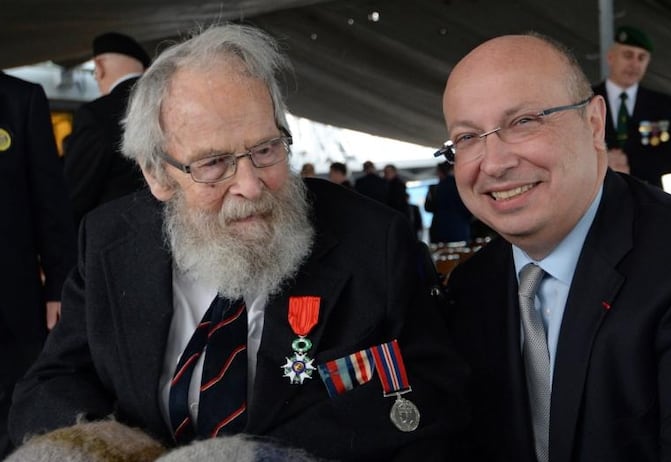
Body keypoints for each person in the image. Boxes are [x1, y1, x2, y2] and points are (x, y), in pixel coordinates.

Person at [8, 24, 467, 460]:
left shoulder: (372, 240)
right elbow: (50, 383)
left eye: (266, 149)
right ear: (156, 175)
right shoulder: (110, 240)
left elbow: (432, 391)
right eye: (213, 163)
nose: (250, 184)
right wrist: (111, 450)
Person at [437, 32, 671, 461]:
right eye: (467, 138)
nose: (493, 163)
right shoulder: (471, 288)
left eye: (524, 122)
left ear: (594, 123)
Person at [0, 72, 77, 456]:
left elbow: (51, 202)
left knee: (15, 411)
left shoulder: (19, 99)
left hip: (12, 296)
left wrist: (57, 286)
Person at [62, 31, 151, 225]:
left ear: (99, 67)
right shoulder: (168, 102)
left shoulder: (96, 114)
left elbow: (76, 191)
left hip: (116, 233)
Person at [592, 26, 671, 191]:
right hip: (594, 192)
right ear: (611, 57)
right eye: (628, 55)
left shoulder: (663, 105)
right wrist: (602, 160)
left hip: (644, 195)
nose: (634, 64)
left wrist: (629, 164)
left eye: (641, 58)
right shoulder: (586, 99)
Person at [424, 161, 471, 243]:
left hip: (438, 228)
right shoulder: (461, 186)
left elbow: (428, 208)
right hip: (460, 228)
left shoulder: (434, 188)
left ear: (441, 172)